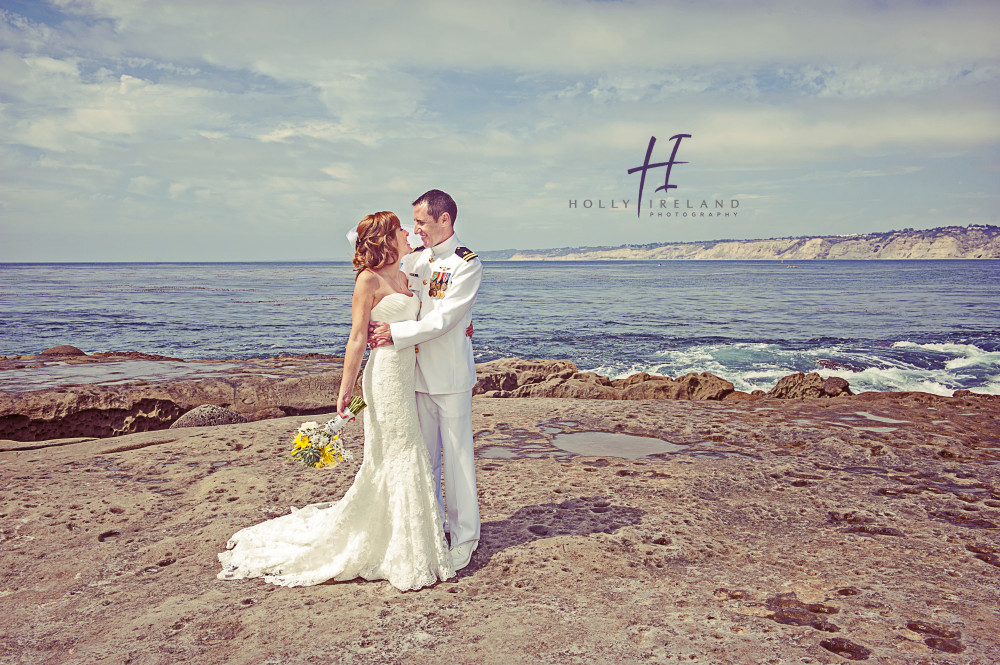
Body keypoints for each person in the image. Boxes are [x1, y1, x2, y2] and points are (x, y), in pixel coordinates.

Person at [217, 211, 455, 591]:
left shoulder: (408, 273)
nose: (409, 232)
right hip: (385, 377)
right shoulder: (368, 280)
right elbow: (357, 338)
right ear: (386, 239)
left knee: (402, 453)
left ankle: (405, 535)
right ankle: (402, 545)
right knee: (401, 451)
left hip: (410, 374)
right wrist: (345, 389)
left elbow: (431, 314)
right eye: (400, 230)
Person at [368, 189, 483, 571]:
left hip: (449, 376)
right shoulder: (415, 260)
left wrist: (395, 335)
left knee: (458, 460)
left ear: (444, 220)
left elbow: (444, 319)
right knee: (425, 461)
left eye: (420, 221)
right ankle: (433, 528)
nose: (414, 228)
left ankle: (465, 536)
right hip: (413, 376)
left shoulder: (466, 264)